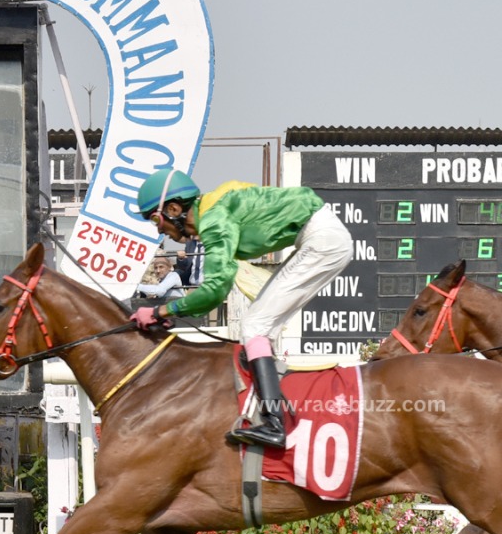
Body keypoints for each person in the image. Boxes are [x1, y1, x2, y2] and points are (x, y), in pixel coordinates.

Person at [132, 168, 353, 448]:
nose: (160, 229)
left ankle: (275, 423)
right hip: (322, 237)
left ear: (174, 208)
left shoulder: (214, 219)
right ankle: (271, 410)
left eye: (156, 219)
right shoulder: (214, 209)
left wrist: (159, 311)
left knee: (254, 326)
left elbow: (214, 292)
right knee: (261, 329)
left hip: (321, 241)